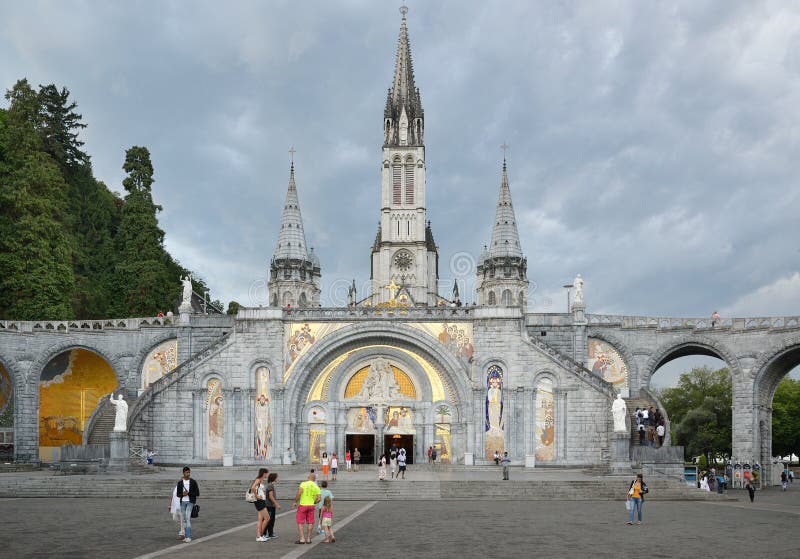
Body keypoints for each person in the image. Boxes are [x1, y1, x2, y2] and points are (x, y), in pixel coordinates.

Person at [293, 472, 321, 544]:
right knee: (310, 522)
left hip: (303, 505)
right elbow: (319, 499)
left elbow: (299, 493)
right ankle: (308, 539)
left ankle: (302, 539)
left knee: (300, 522)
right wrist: (314, 502)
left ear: (308, 477)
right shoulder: (316, 486)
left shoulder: (303, 484)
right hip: (311, 506)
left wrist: (295, 501)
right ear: (314, 479)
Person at [176, 466, 199, 543]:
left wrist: (189, 493)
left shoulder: (193, 482)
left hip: (190, 502)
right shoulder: (180, 482)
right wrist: (182, 494)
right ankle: (186, 536)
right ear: (183, 473)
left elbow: (197, 493)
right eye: (187, 472)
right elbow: (178, 494)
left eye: (189, 472)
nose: (188, 474)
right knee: (184, 519)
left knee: (187, 517)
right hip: (183, 502)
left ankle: (189, 536)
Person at [251, 468, 270, 541]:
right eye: (267, 473)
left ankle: (260, 535)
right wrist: (257, 496)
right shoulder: (258, 479)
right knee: (267, 518)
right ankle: (259, 535)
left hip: (261, 501)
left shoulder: (260, 480)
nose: (267, 475)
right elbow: (253, 488)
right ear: (264, 473)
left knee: (260, 519)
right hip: (259, 501)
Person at [264, 472, 281, 540]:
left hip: (270, 505)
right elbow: (271, 496)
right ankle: (267, 533)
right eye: (277, 477)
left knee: (270, 520)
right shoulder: (270, 485)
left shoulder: (270, 485)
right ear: (274, 478)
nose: (277, 478)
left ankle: (269, 533)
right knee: (270, 520)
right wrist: (276, 504)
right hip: (270, 506)